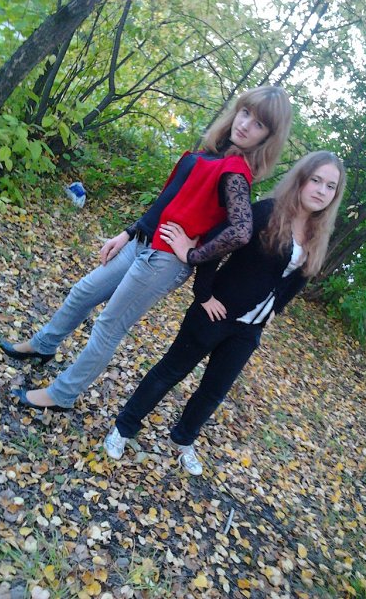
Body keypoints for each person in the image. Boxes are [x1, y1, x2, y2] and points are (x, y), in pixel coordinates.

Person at [1, 86, 292, 411]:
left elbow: (241, 231)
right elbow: (169, 200)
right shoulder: (215, 154)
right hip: (142, 242)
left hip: (164, 261)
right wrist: (128, 233)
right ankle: (44, 345)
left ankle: (61, 395)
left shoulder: (236, 171)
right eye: (246, 113)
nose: (246, 124)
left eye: (259, 124)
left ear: (268, 137)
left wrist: (192, 255)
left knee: (109, 326)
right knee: (84, 292)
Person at [104, 150, 346, 474]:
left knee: (214, 391)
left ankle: (183, 438)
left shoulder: (317, 235)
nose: (321, 190)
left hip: (249, 329)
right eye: (316, 180)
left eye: (330, 186)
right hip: (214, 312)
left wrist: (276, 309)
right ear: (301, 180)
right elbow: (217, 243)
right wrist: (204, 293)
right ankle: (124, 427)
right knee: (171, 371)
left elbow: (298, 279)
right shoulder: (266, 212)